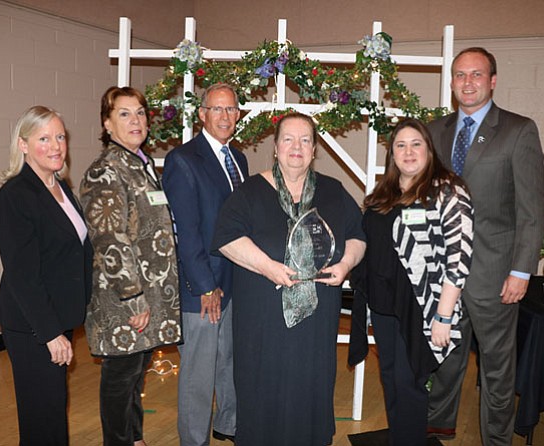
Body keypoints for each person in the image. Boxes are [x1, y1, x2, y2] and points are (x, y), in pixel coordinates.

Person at [211, 112, 366, 446]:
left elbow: (357, 234)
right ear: (276, 148)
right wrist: (268, 266)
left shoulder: (333, 191)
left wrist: (346, 265)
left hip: (316, 321)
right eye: (288, 139)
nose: (297, 147)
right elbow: (226, 238)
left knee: (311, 385)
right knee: (262, 385)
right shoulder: (250, 191)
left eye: (305, 140)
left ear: (314, 150)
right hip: (263, 320)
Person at [426, 47, 544, 445]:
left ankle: (496, 441)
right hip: (443, 272)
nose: (467, 82)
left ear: (493, 80)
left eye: (476, 74)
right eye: (460, 75)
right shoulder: (434, 131)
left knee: (496, 368)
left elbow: (531, 209)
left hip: (494, 274)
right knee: (442, 360)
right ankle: (437, 430)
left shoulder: (518, 130)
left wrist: (520, 270)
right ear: (452, 81)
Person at [348, 118, 474, 445]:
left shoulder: (447, 189)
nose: (408, 151)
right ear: (392, 154)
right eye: (400, 145)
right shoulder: (384, 192)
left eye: (416, 143)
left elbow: (459, 257)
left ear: (428, 149)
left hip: (422, 308)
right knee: (391, 380)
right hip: (385, 307)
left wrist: (444, 316)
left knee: (409, 385)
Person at [79, 86, 182, 446]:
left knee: (137, 372)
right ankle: (119, 441)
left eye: (140, 112)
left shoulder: (141, 165)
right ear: (107, 124)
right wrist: (134, 298)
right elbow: (110, 239)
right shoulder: (106, 170)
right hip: (124, 298)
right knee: (121, 375)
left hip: (148, 293)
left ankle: (134, 438)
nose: (135, 120)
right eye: (124, 114)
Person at [0, 105, 93, 445]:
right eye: (44, 138)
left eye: (60, 137)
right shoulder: (15, 196)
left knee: (52, 409)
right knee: (42, 416)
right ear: (23, 145)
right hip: (33, 327)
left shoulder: (61, 188)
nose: (55, 146)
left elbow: (75, 254)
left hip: (56, 318)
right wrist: (50, 333)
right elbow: (23, 275)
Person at [162, 83, 248, 445]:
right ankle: (193, 440)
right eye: (217, 109)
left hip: (233, 283)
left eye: (231, 110)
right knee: (198, 374)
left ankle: (228, 424)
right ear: (201, 114)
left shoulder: (238, 158)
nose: (225, 116)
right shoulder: (183, 160)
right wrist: (204, 286)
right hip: (203, 289)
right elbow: (185, 231)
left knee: (229, 361)